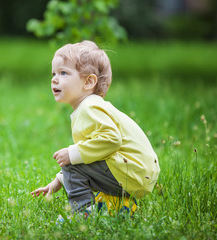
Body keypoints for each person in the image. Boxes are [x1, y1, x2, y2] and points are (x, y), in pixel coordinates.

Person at [30, 40, 160, 218]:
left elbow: (112, 139)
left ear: (89, 81)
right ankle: (114, 208)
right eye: (53, 73)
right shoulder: (90, 107)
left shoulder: (89, 108)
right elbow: (92, 155)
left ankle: (83, 213)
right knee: (74, 159)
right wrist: (57, 182)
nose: (54, 79)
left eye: (63, 73)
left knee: (72, 159)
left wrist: (72, 154)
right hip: (134, 172)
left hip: (131, 172)